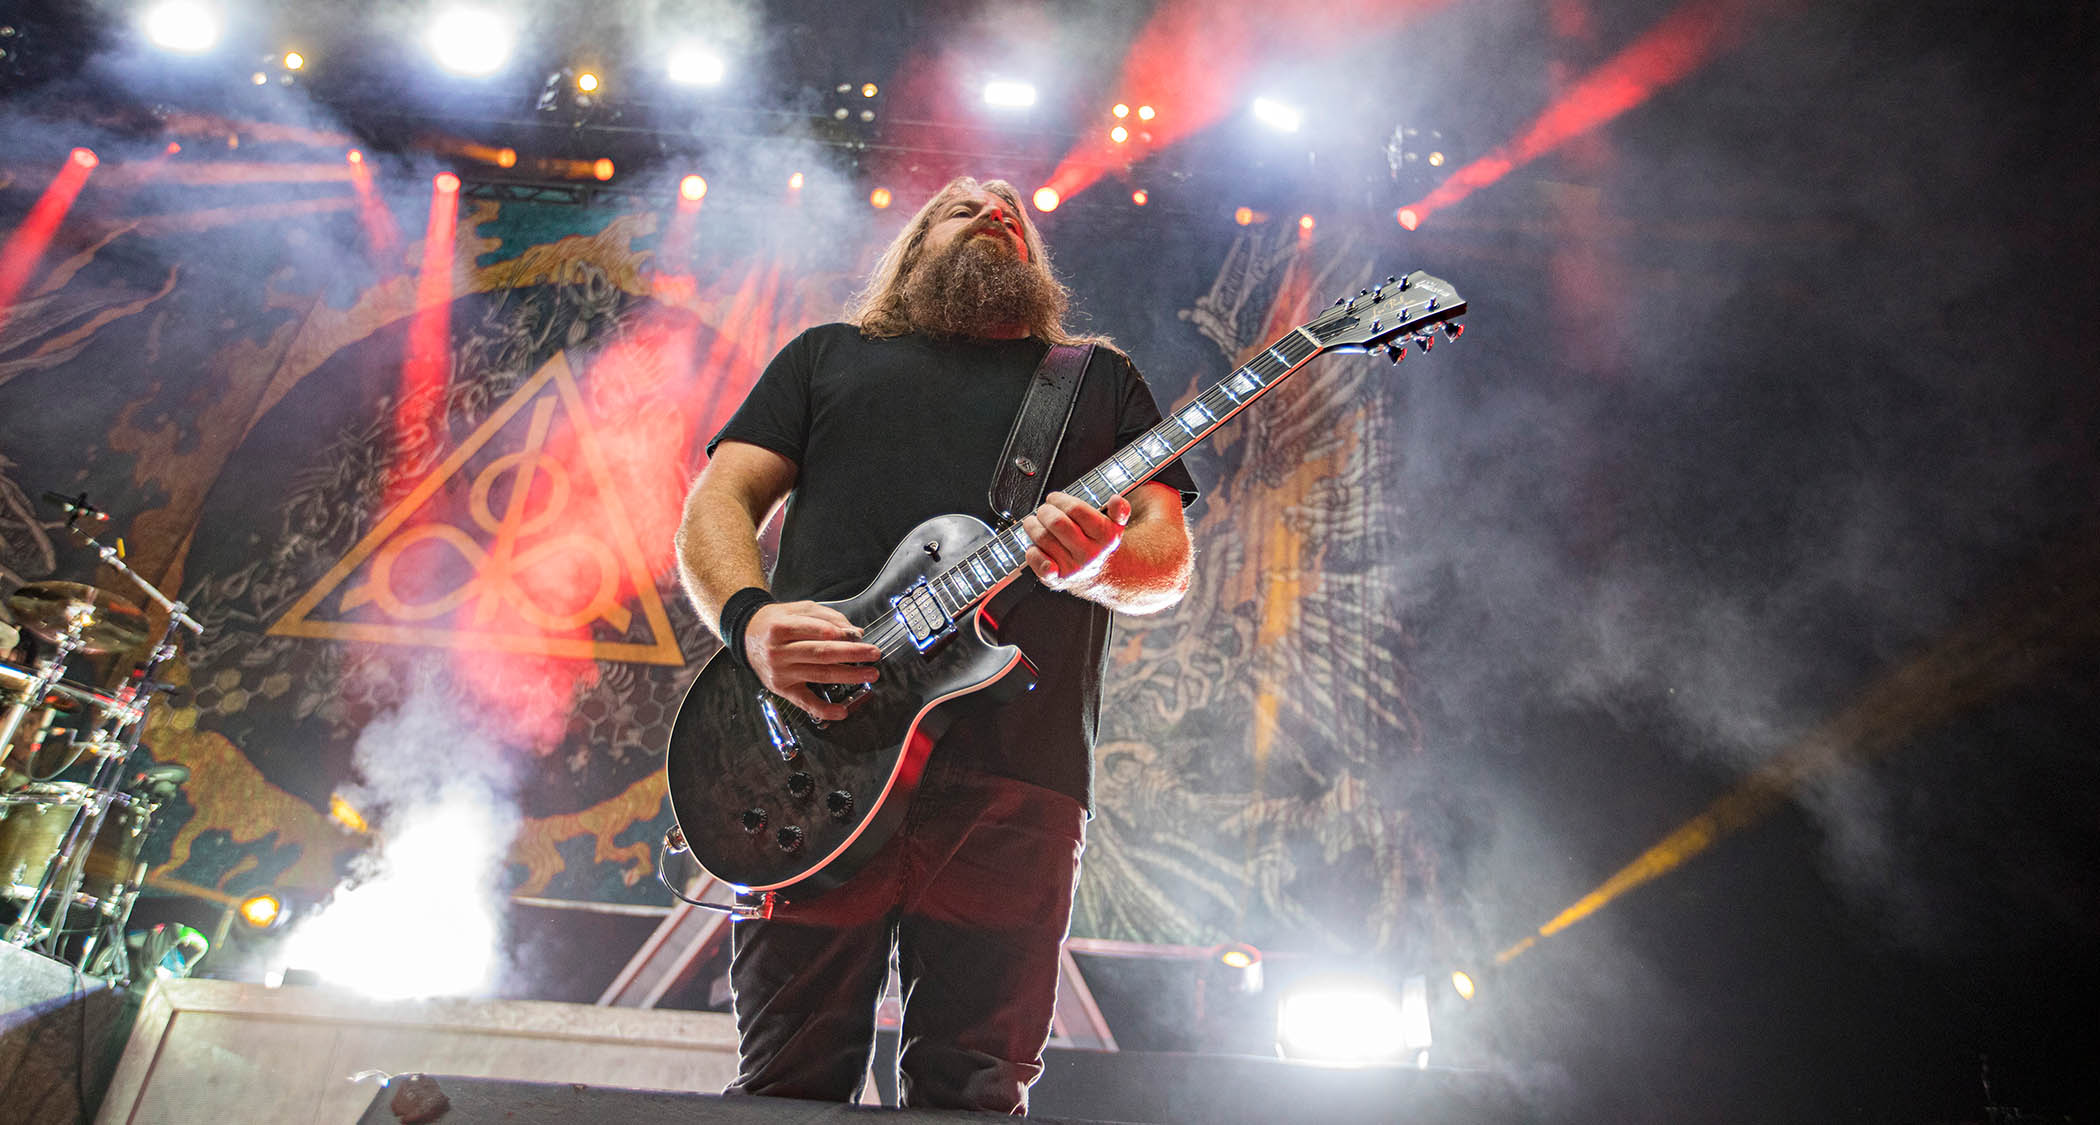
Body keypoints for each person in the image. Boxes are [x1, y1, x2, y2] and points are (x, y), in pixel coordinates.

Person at [674, 176, 1199, 1113]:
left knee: (976, 1089)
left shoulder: (1095, 379)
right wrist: (749, 621)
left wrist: (1092, 566)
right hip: (811, 755)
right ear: (915, 251)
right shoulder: (826, 357)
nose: (997, 209)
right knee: (786, 1084)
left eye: (1014, 213)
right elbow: (718, 502)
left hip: (1016, 776)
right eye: (964, 206)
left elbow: (1165, 558)